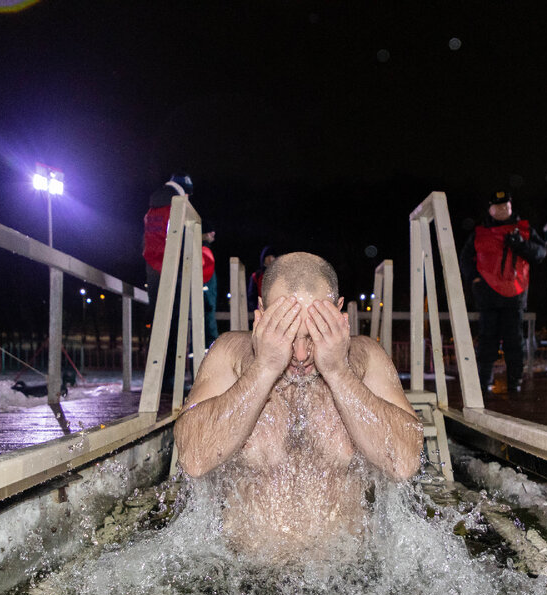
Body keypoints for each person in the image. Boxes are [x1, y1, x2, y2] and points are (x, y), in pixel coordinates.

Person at [174, 252, 422, 564]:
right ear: (261, 315)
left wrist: (338, 372)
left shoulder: (366, 358)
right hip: (243, 583)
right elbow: (194, 458)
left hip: (347, 587)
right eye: (289, 334)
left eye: (314, 335)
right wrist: (264, 367)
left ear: (338, 313)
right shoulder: (231, 354)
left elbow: (404, 463)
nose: (302, 354)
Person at [459, 190, 547, 394]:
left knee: (514, 340)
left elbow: (541, 253)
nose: (502, 209)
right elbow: (465, 258)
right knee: (487, 339)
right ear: (490, 209)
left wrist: (521, 245)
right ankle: (483, 382)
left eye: (506, 206)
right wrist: (475, 279)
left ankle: (515, 382)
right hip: (487, 294)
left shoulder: (524, 229)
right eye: (498, 206)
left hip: (514, 295)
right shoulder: (479, 232)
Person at [141, 172, 194, 390]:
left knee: (160, 326)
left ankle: (158, 379)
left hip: (154, 270)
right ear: (185, 191)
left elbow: (148, 242)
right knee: (172, 327)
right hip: (170, 271)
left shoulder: (154, 205)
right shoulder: (176, 206)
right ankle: (167, 381)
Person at [200, 221, 219, 347]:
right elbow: (203, 278)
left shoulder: (204, 249)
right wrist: (207, 300)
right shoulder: (203, 250)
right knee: (208, 333)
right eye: (210, 230)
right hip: (205, 303)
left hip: (207, 302)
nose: (213, 233)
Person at [247, 245, 276, 315]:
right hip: (261, 310)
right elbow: (251, 295)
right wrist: (255, 310)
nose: (270, 259)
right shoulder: (256, 276)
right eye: (267, 257)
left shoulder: (279, 275)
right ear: (263, 259)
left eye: (272, 256)